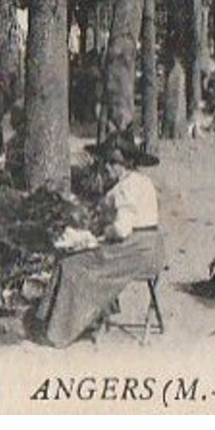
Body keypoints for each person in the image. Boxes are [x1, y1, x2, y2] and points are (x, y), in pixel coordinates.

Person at [37, 134, 164, 348]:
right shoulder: (141, 181)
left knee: (73, 266)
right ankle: (69, 317)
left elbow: (122, 229)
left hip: (136, 249)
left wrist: (100, 235)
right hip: (151, 246)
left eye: (112, 163)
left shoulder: (127, 187)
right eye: (106, 162)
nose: (106, 167)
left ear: (126, 164)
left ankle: (59, 330)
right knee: (81, 259)